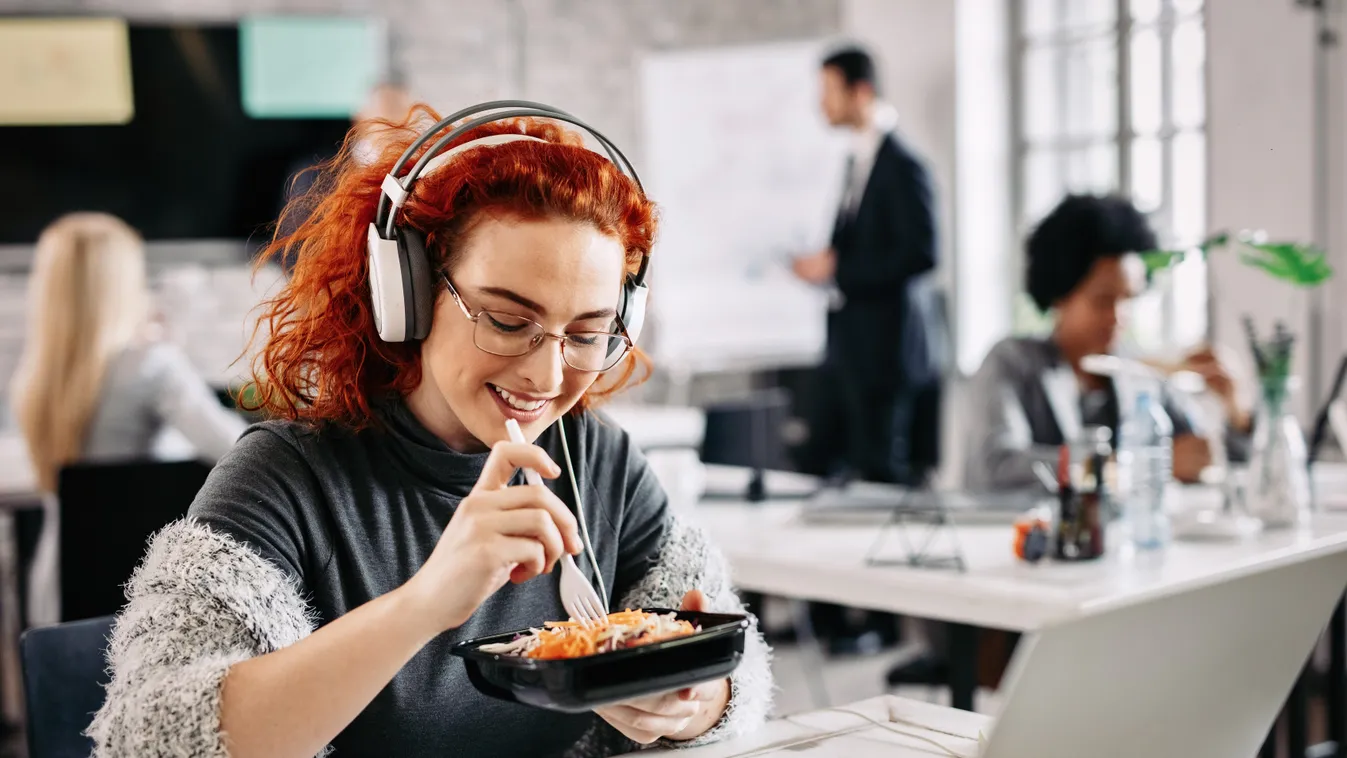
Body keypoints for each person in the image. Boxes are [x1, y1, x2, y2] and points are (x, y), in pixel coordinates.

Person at [88, 104, 772, 758]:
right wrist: (423, 603)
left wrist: (692, 701)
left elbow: (730, 680)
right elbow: (152, 738)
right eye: (507, 321)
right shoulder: (288, 479)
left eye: (587, 334)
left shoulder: (594, 457)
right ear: (407, 293)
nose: (545, 373)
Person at [9, 212, 247, 626]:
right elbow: (240, 451)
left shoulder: (34, 377)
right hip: (134, 587)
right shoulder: (152, 365)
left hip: (57, 584)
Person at [964, 194, 1252, 492]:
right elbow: (997, 467)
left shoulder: (1137, 373)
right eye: (1102, 300)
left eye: (1128, 299)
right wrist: (1129, 467)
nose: (1118, 317)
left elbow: (1208, 458)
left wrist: (1236, 410)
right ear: (1060, 294)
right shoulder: (1013, 363)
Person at [792, 45, 942, 487]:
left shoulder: (904, 164)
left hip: (887, 354)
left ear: (861, 92)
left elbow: (923, 252)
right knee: (829, 460)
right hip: (853, 348)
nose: (821, 103)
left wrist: (838, 270)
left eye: (829, 91)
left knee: (881, 477)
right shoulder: (858, 157)